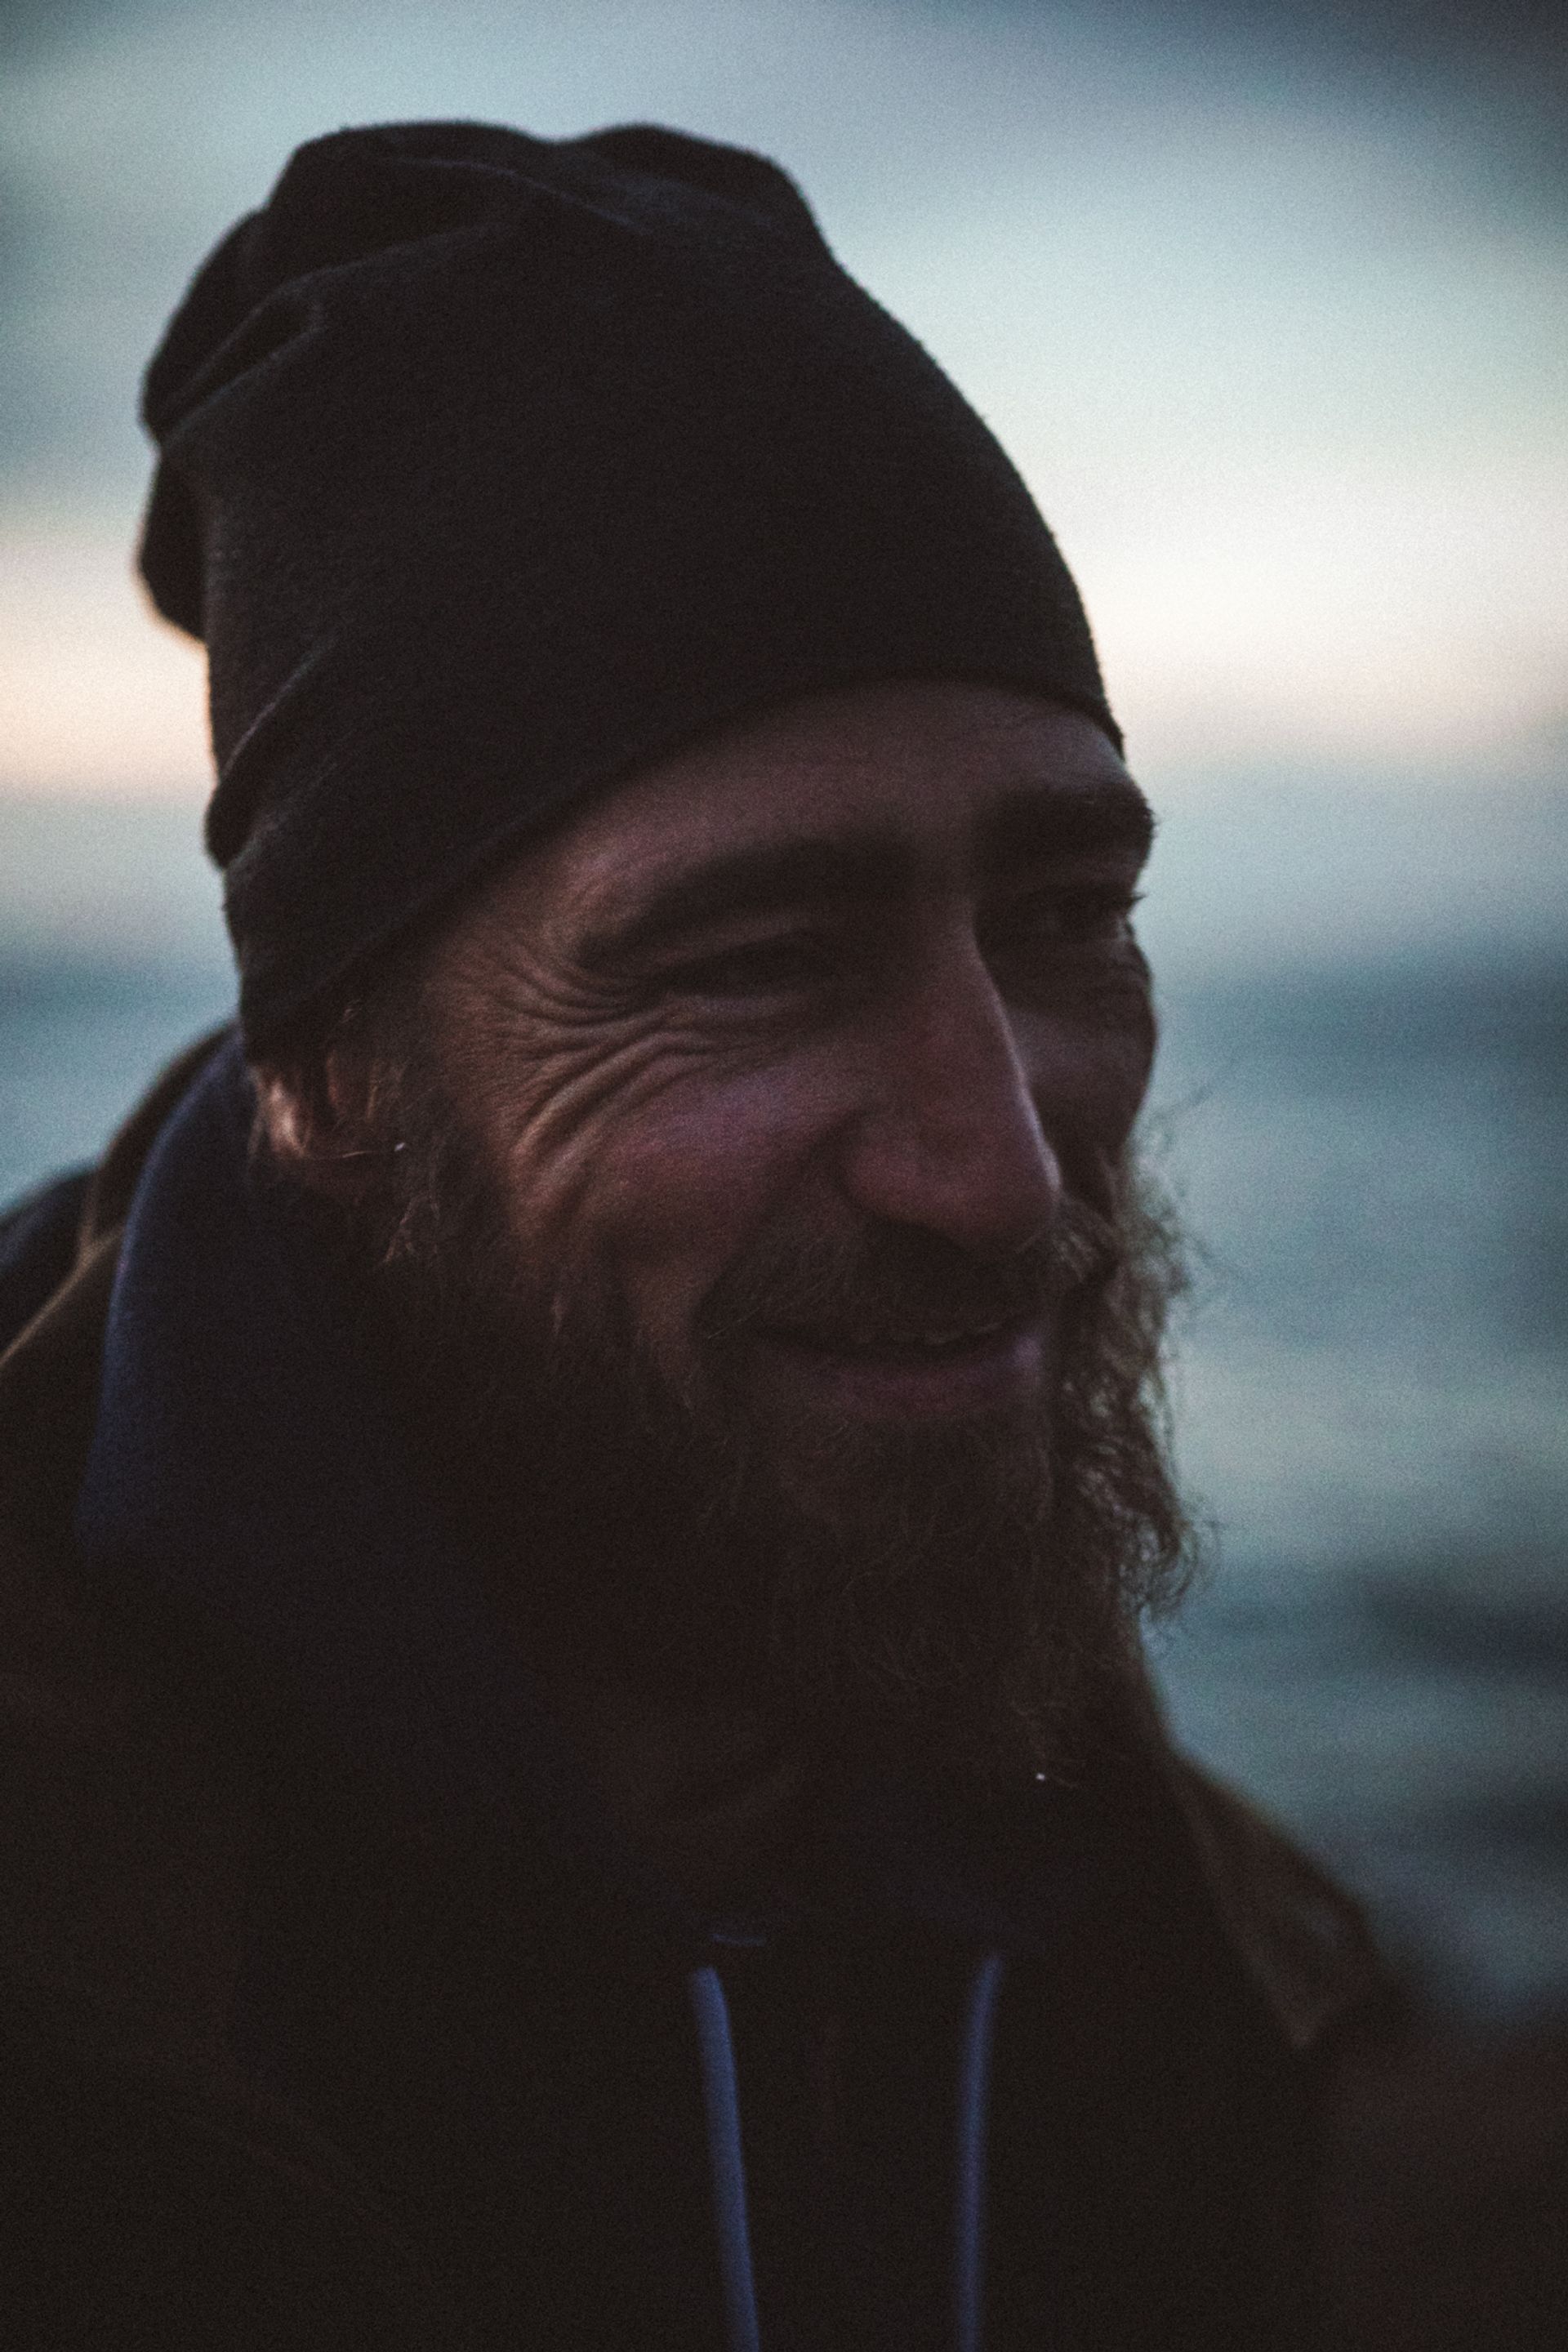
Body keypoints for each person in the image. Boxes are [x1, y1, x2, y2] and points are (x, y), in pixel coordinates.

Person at [0, 121, 1383, 2350]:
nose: (1000, 1173)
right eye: (753, 960)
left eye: (1065, 916)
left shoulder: (1139, 1900)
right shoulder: (85, 2041)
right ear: (331, 1075)